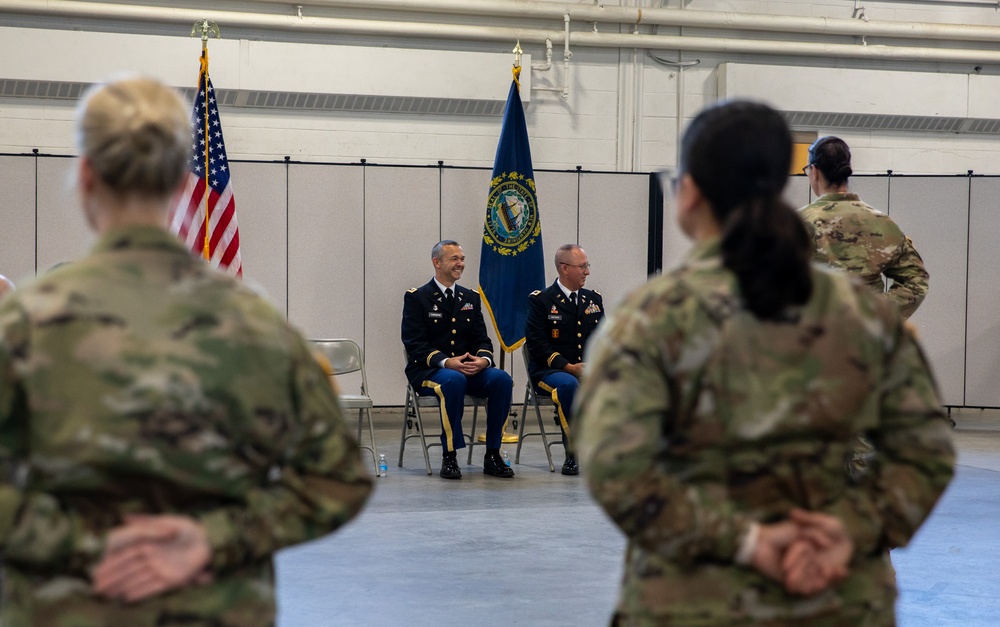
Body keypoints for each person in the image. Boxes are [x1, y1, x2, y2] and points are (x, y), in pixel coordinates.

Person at [0, 76, 372, 627]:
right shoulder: (259, 328)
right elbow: (339, 477)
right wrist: (209, 540)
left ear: (85, 177)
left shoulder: (21, 326)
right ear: (181, 181)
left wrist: (89, 545)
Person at [576, 101, 955, 626]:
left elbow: (615, 466)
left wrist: (747, 541)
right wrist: (854, 530)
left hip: (692, 602)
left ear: (689, 191)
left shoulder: (650, 318)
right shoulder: (866, 319)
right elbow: (927, 450)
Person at [402, 240, 515, 480]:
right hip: (429, 371)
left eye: (462, 259)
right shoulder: (418, 298)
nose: (460, 264)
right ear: (437, 262)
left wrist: (484, 361)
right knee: (453, 381)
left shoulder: (470, 298)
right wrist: (446, 362)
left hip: (467, 370)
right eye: (454, 259)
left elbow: (482, 341)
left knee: (501, 379)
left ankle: (493, 453)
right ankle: (450, 455)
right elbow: (415, 345)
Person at [800, 135, 929, 319]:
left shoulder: (798, 223)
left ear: (814, 172)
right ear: (848, 171)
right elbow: (916, 279)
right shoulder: (882, 222)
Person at [524, 244, 604, 475]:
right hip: (549, 371)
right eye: (583, 267)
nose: (587, 272)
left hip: (586, 369)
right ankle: (573, 454)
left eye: (587, 266)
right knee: (569, 385)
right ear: (564, 268)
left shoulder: (593, 299)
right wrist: (568, 367)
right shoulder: (541, 301)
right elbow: (537, 345)